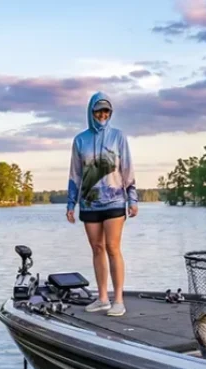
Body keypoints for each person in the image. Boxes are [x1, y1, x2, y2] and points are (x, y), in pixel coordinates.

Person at [66, 92, 138, 317]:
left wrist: (132, 198)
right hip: (89, 204)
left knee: (112, 248)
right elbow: (75, 174)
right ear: (91, 112)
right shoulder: (80, 140)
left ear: (110, 113)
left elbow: (127, 168)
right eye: (98, 111)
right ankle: (103, 298)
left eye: (106, 111)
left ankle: (118, 300)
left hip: (115, 201)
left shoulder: (118, 136)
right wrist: (71, 203)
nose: (102, 114)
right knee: (97, 248)